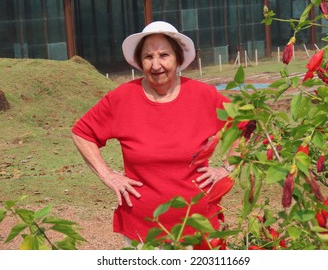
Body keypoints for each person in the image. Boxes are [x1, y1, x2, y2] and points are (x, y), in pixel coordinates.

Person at [71, 21, 233, 245]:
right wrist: (107, 175)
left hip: (199, 226)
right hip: (143, 232)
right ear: (140, 62)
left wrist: (227, 167)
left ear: (177, 58)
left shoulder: (203, 95)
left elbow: (246, 124)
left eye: (164, 55)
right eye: (148, 57)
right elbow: (82, 132)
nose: (156, 64)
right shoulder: (122, 98)